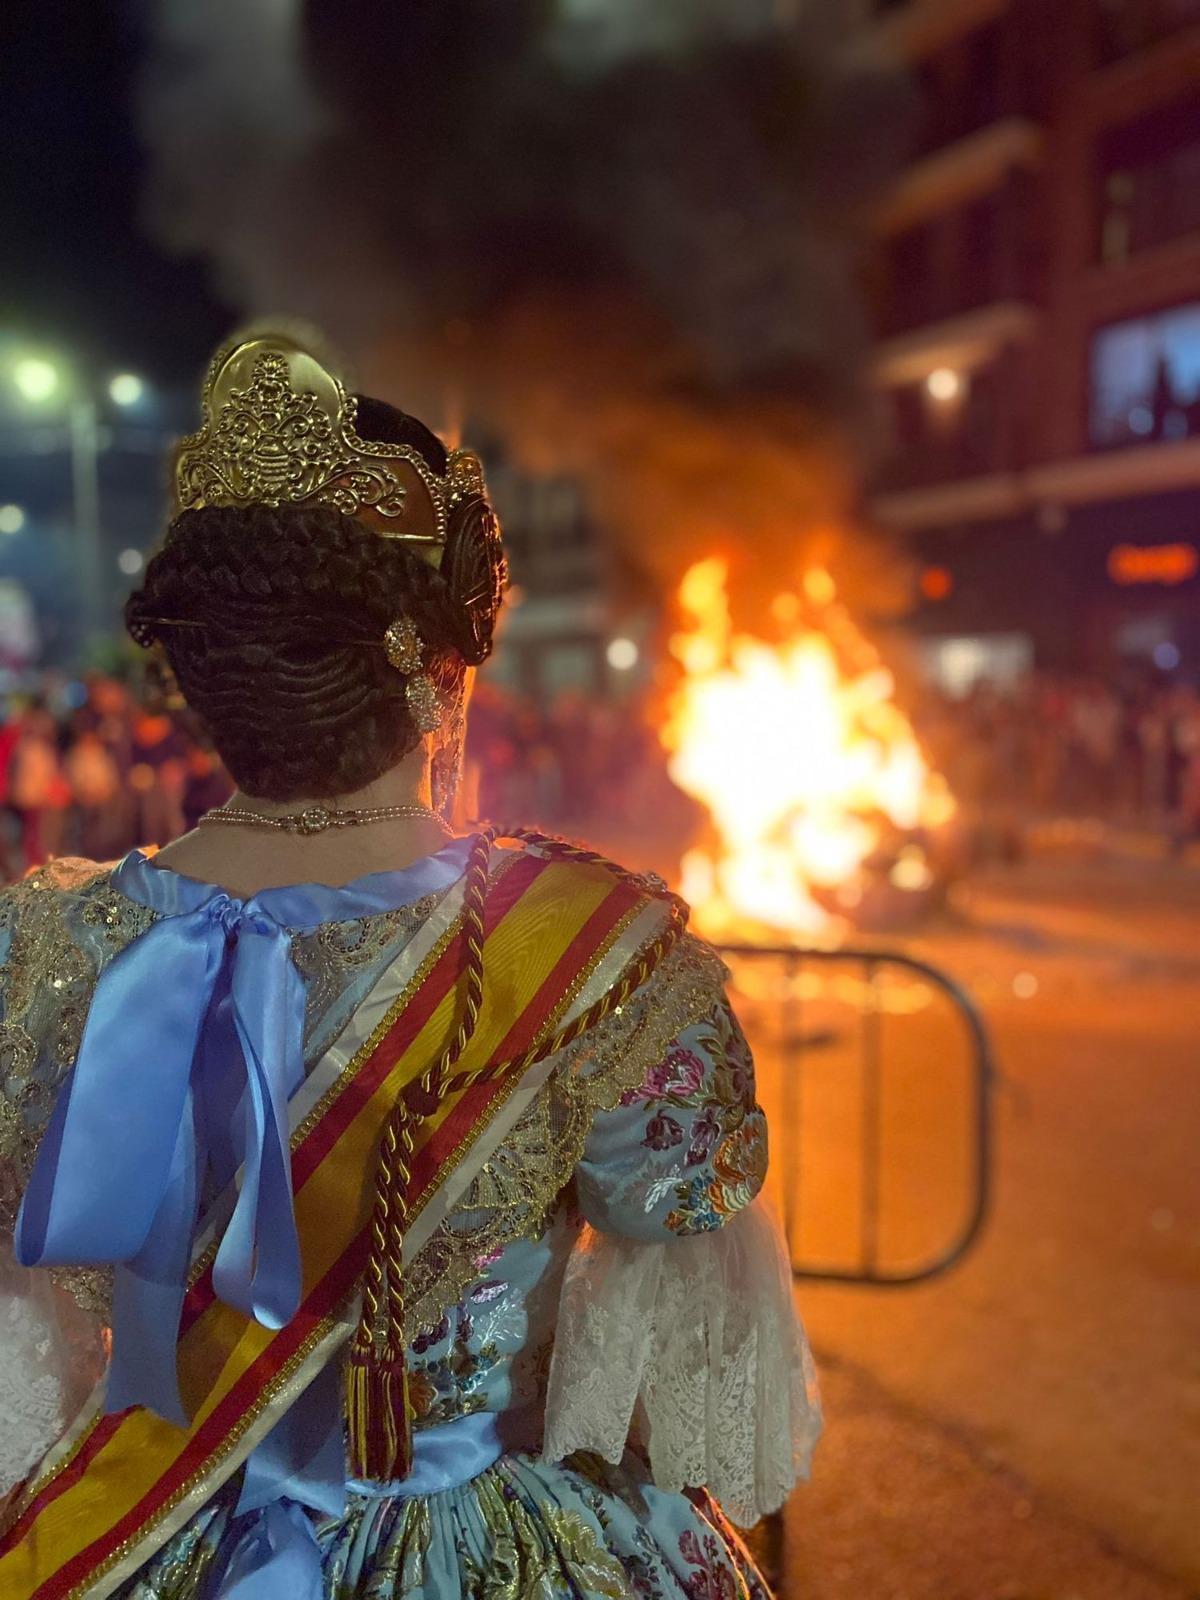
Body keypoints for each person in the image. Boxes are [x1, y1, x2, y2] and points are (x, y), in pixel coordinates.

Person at [0, 328, 819, 1598]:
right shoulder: (599, 953)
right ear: (437, 663)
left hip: (151, 1539)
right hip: (485, 1544)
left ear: (198, 675)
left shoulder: (41, 948)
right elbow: (677, 1237)